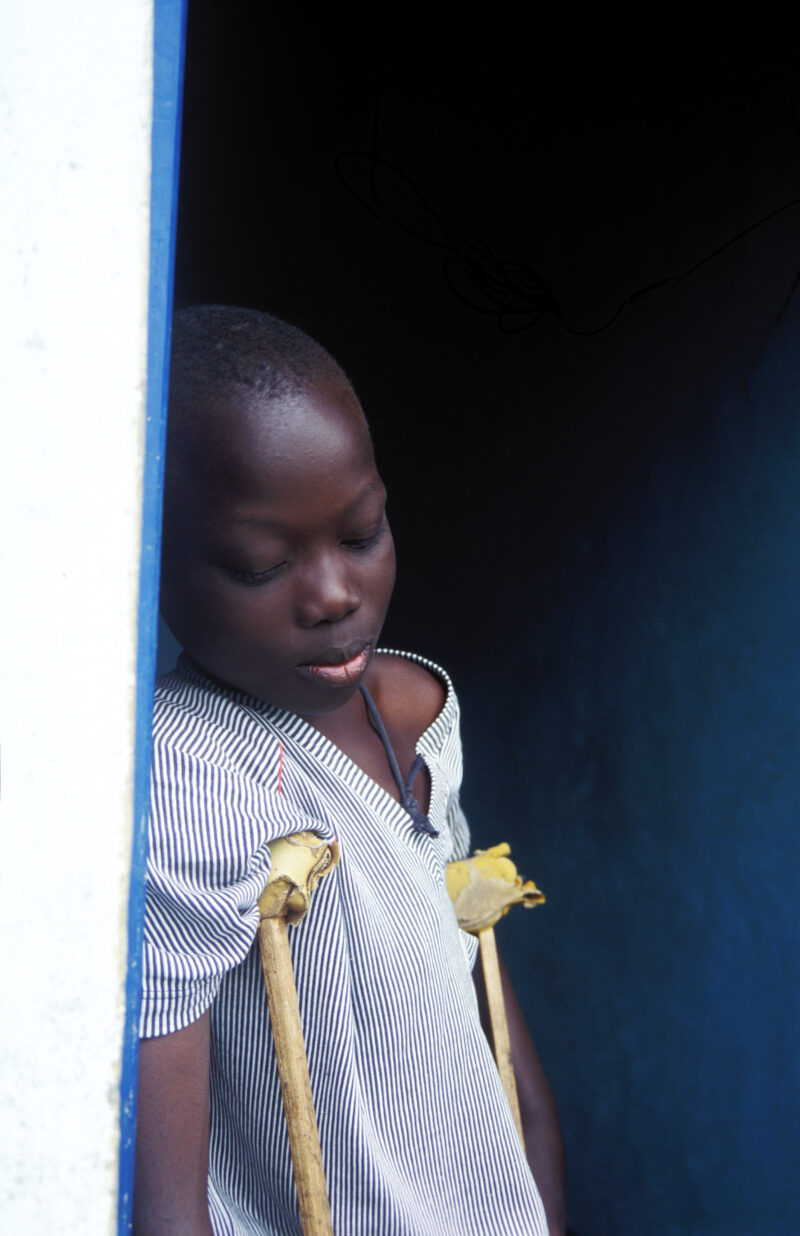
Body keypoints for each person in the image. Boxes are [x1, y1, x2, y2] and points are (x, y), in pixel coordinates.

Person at [133, 305, 566, 1236]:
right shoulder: (190, 774)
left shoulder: (418, 707)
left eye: (361, 533)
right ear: (153, 560)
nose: (334, 595)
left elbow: (476, 961)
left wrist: (543, 1192)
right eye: (259, 566)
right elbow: (163, 1194)